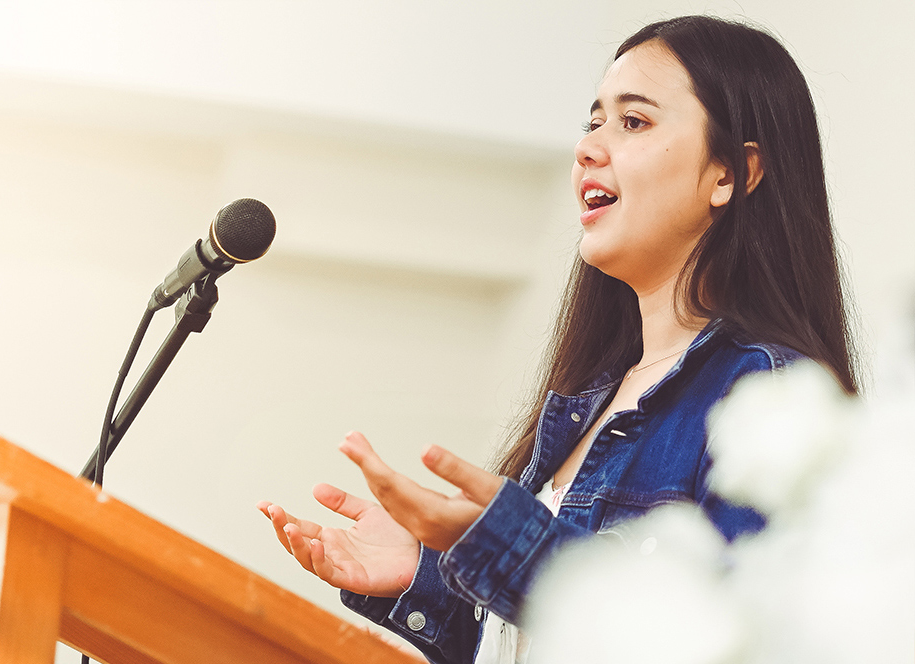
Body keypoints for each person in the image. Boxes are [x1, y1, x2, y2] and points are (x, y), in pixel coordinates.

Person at [257, 15, 858, 664]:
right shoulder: (589, 397)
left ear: (728, 173)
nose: (588, 148)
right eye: (591, 122)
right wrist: (429, 576)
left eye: (633, 122)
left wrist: (505, 550)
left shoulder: (765, 401)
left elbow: (728, 646)